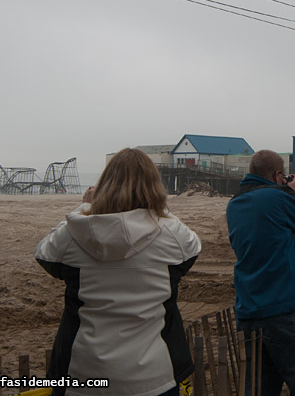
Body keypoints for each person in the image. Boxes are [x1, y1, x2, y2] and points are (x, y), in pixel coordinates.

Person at [36, 148, 202, 396]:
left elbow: (45, 254)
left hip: (83, 374)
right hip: (154, 376)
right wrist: (156, 208)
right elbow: (191, 250)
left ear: (104, 184)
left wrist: (85, 207)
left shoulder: (74, 233)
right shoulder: (172, 234)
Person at [225, 149, 295, 396]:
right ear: (277, 175)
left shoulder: (234, 203)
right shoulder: (278, 197)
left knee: (259, 389)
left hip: (249, 311)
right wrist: (289, 192)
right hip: (285, 309)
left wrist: (283, 190)